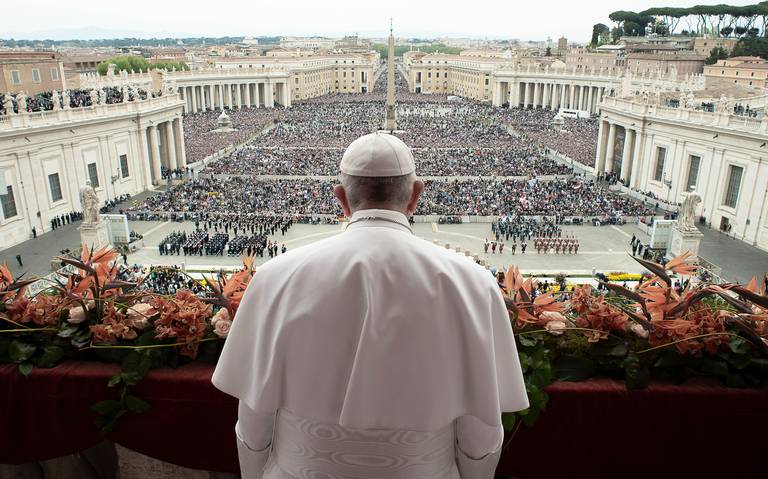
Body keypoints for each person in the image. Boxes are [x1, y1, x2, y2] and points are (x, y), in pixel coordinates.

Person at [213, 132, 528, 479]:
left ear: (341, 199)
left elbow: (254, 420)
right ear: (415, 196)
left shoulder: (275, 277)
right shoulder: (473, 283)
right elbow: (481, 429)